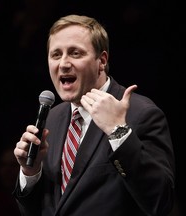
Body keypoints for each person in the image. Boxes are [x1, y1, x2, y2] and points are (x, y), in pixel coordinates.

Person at [13, 14, 175, 216]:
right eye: (56, 55)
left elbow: (161, 201)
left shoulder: (141, 114)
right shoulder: (53, 118)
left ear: (102, 60)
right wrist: (31, 172)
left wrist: (118, 132)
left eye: (75, 53)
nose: (63, 63)